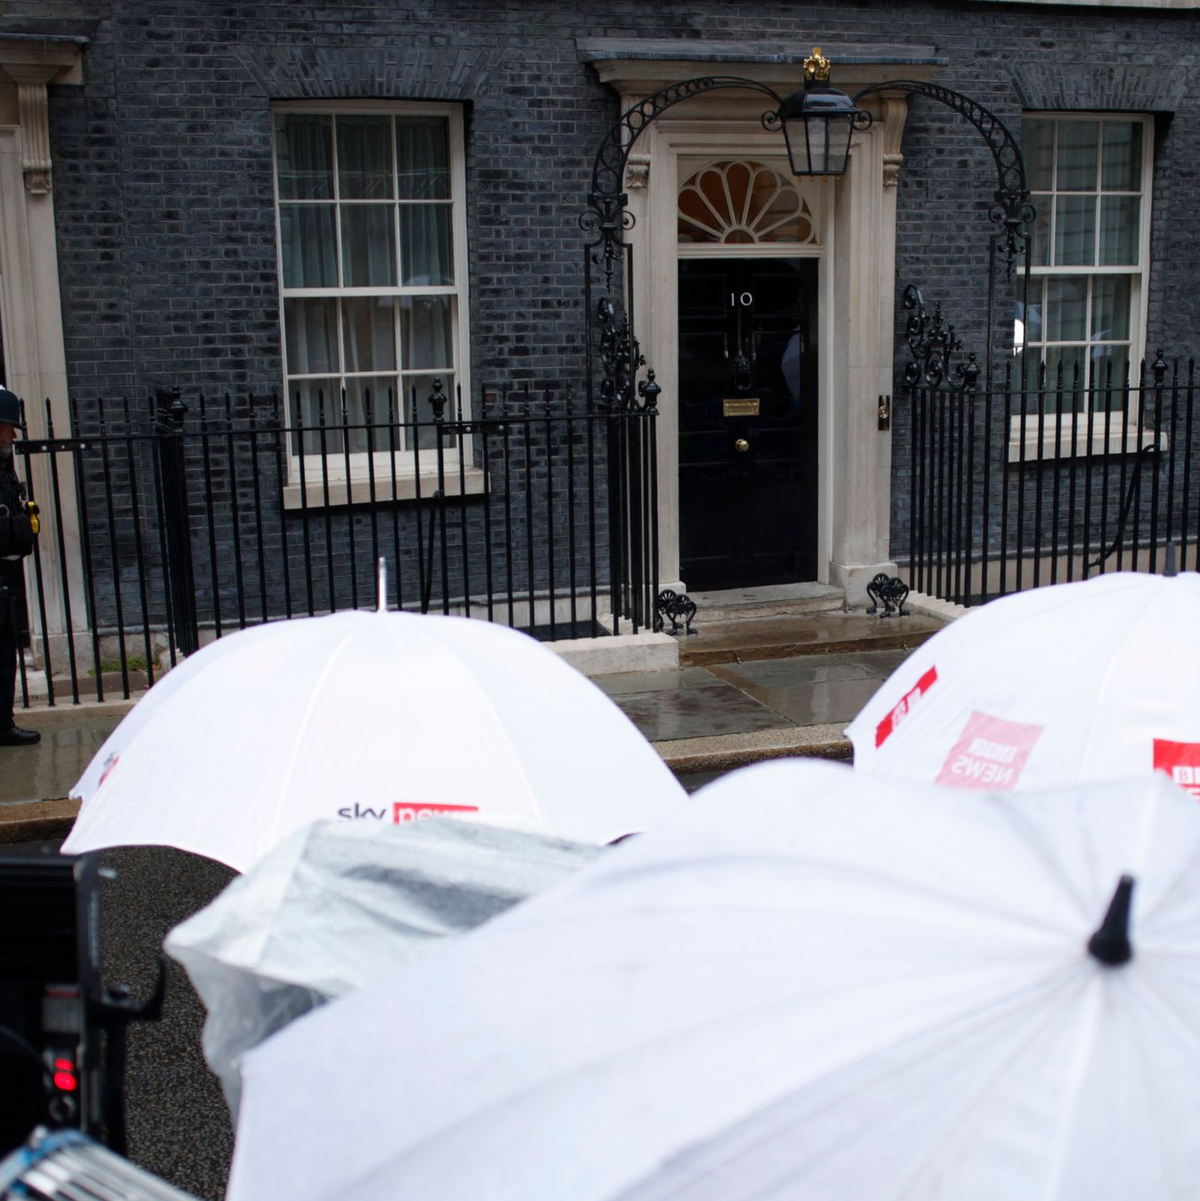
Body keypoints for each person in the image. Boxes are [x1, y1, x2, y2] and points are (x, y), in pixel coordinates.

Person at [0, 385, 39, 745]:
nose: (12, 435)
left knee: (5, 652)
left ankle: (2, 722)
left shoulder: (3, 471)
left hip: (6, 578)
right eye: (8, 426)